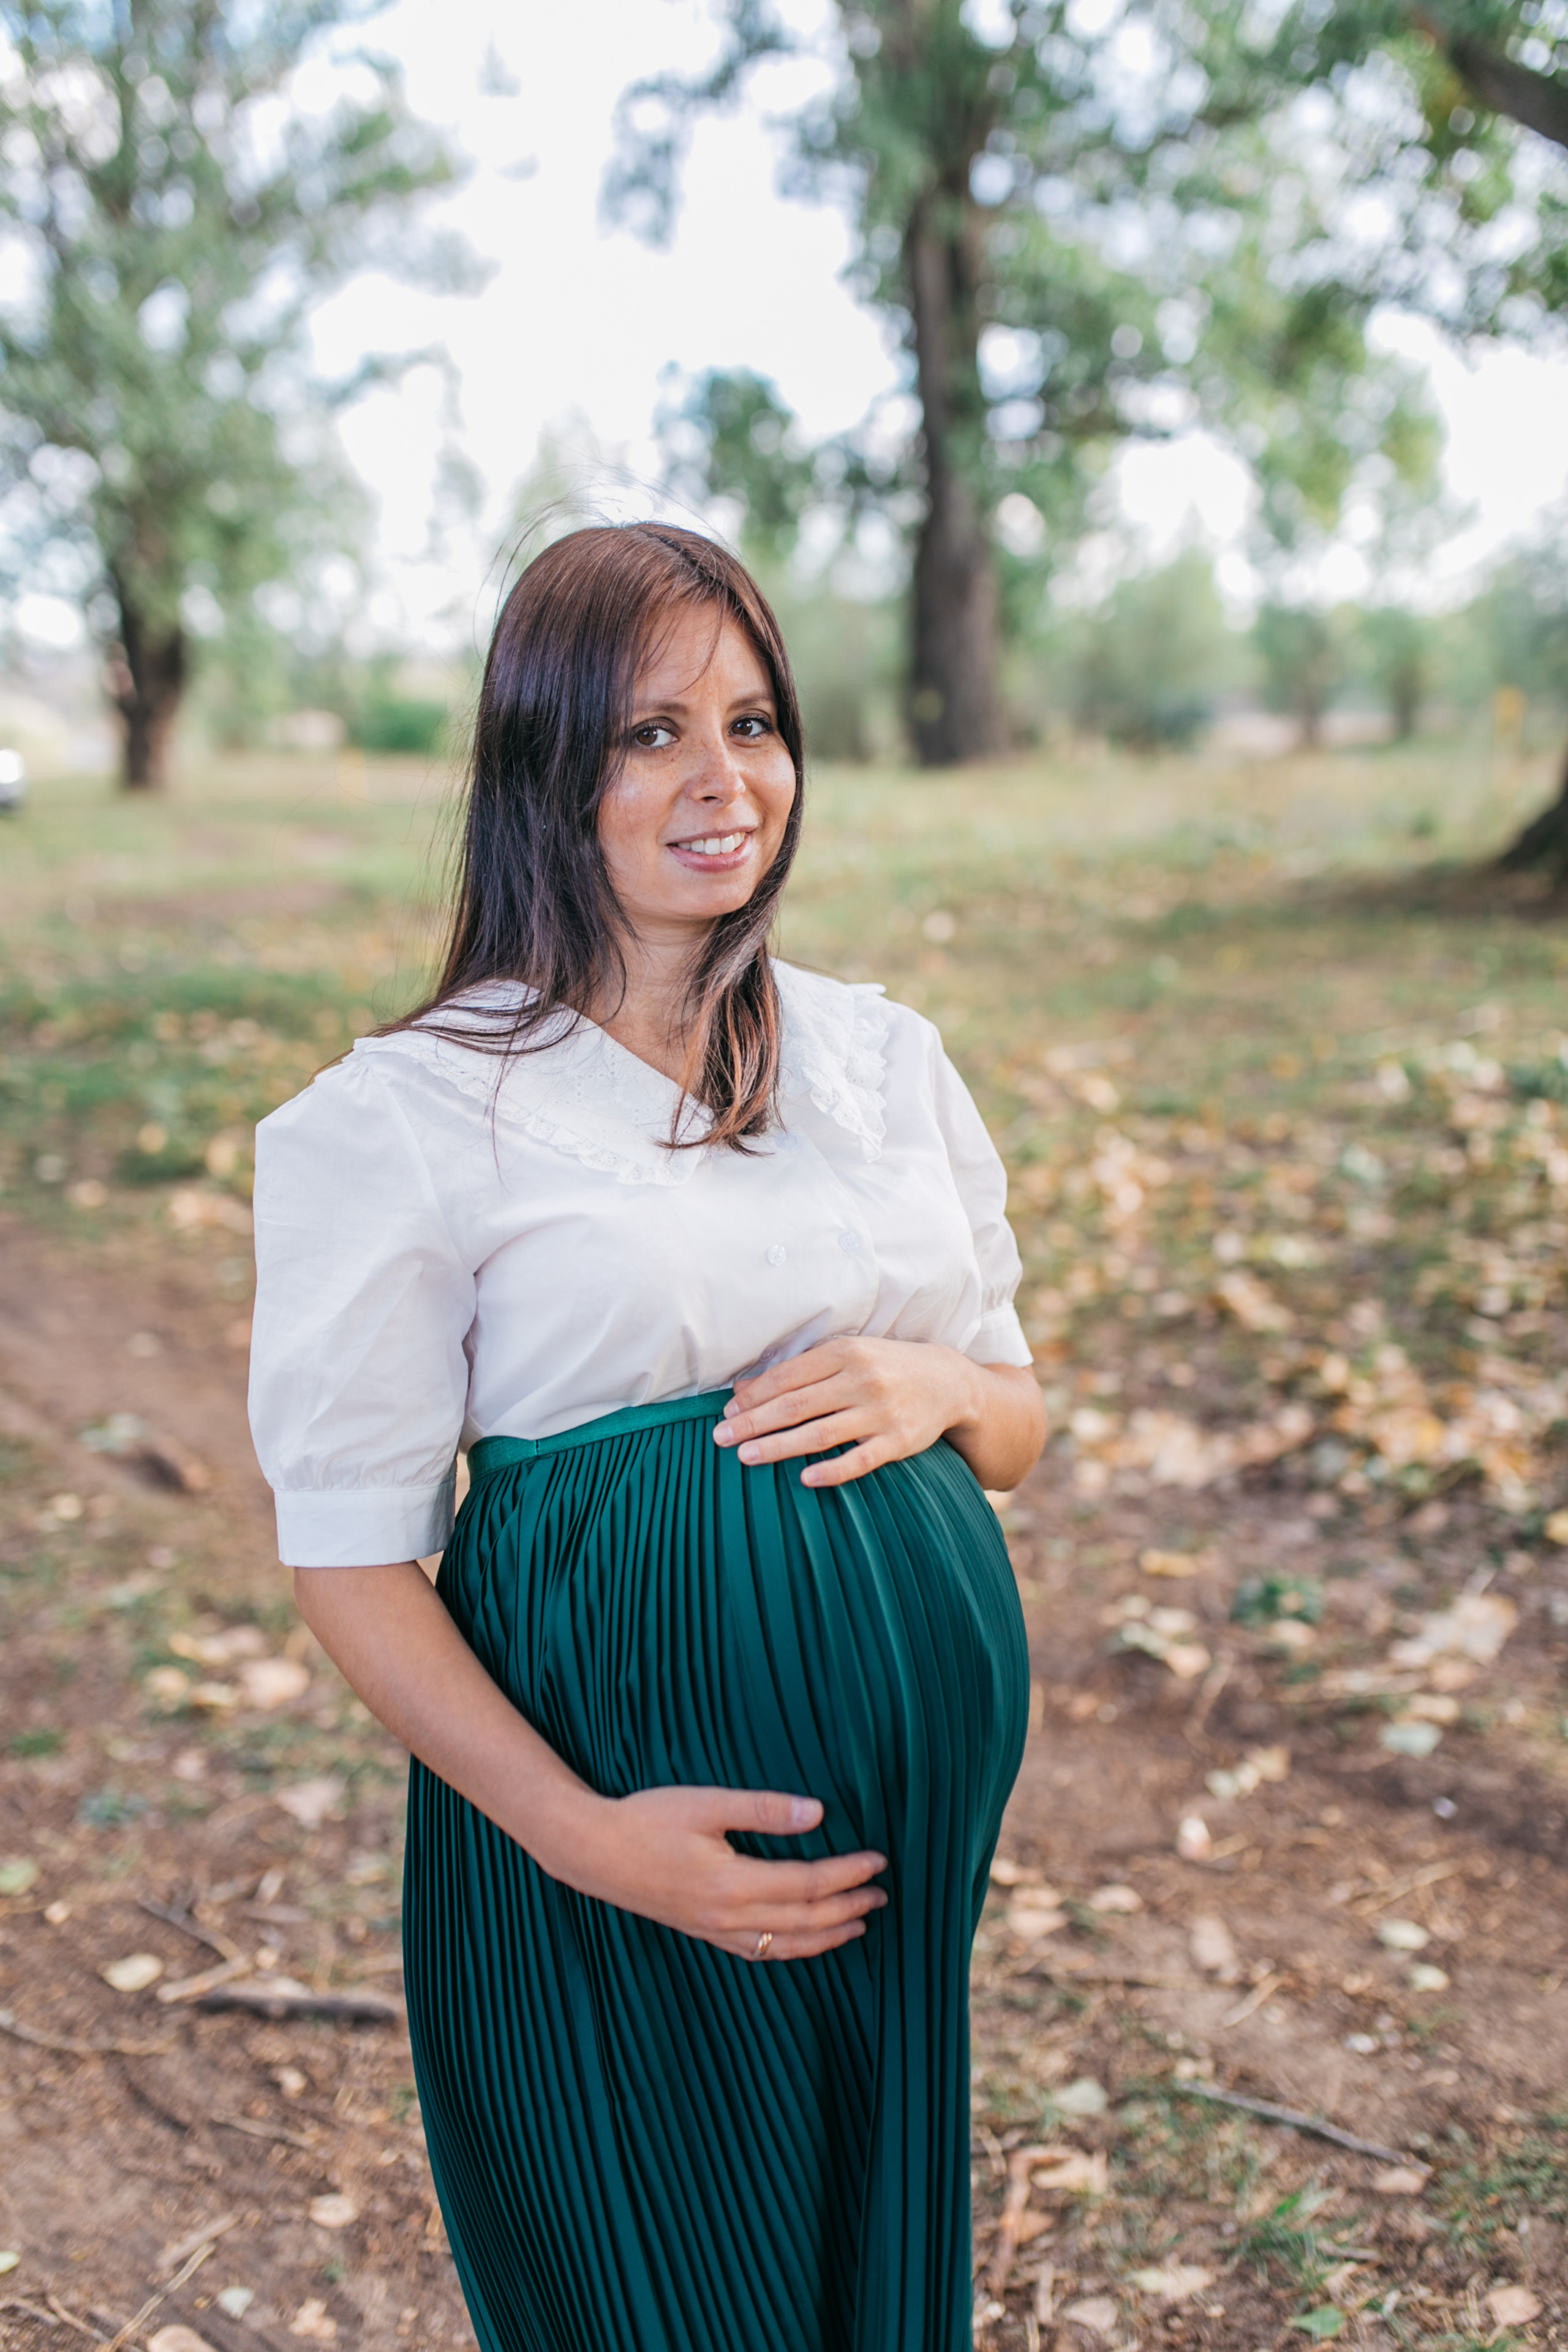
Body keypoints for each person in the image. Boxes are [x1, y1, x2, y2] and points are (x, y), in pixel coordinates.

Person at [247, 522, 1046, 2352]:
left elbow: (1015, 1423)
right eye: (651, 733)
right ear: (547, 771)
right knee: (669, 2282)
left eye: (753, 725)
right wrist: (583, 1837)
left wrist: (938, 1388)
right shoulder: (405, 1118)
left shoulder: (879, 1058)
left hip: (902, 1840)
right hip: (612, 1822)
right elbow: (349, 1555)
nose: (723, 781)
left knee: (859, 2272)